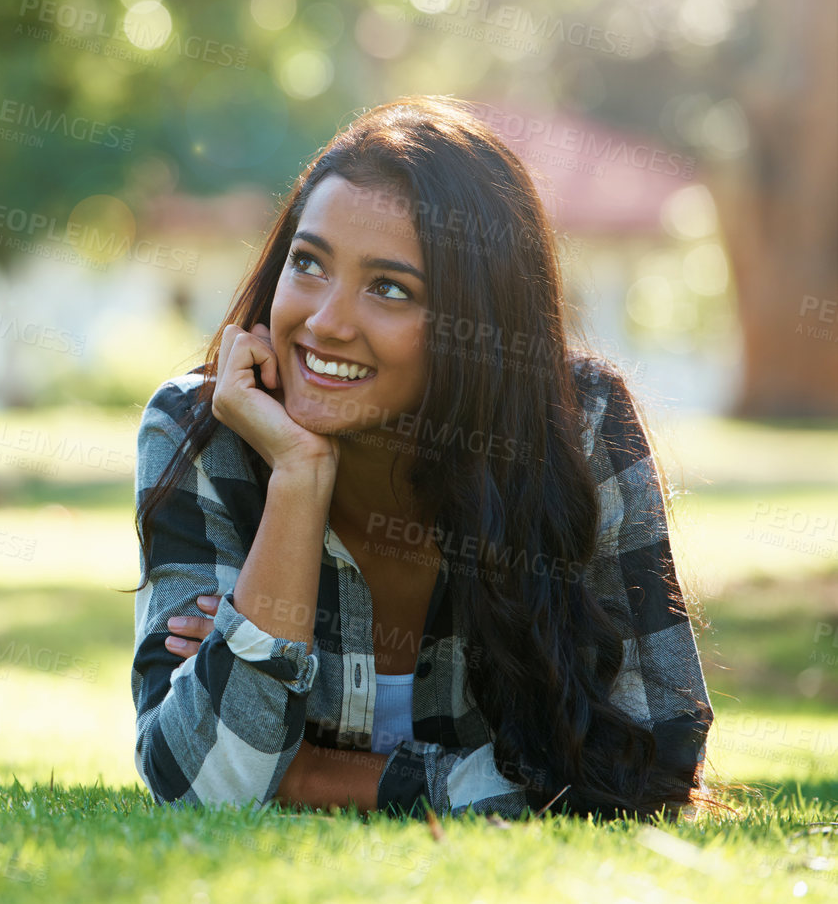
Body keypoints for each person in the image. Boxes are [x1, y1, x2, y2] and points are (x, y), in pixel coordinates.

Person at [127, 96, 730, 821]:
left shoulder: (579, 425)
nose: (324, 321)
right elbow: (199, 783)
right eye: (309, 263)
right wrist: (297, 475)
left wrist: (314, 773)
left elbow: (655, 762)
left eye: (389, 288)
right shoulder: (203, 428)